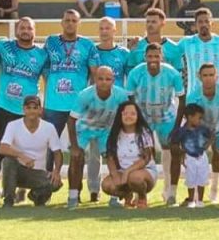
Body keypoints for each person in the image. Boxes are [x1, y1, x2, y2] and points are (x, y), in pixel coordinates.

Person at [0, 17, 49, 203]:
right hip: (4, 107)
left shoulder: (42, 54)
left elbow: (47, 80)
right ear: (16, 30)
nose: (25, 31)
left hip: (28, 111)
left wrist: (43, 106)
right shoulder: (3, 47)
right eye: (22, 27)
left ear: (34, 31)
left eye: (29, 28)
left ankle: (22, 191)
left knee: (27, 149)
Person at [125, 42, 185, 205]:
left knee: (173, 149)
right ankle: (140, 193)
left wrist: (177, 125)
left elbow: (182, 98)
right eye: (150, 56)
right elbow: (130, 97)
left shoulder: (172, 73)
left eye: (156, 56)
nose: (153, 59)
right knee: (143, 153)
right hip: (145, 117)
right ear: (145, 57)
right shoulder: (136, 73)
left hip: (167, 116)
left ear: (162, 57)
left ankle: (170, 192)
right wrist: (137, 121)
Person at [66, 66, 132, 209]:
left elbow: (127, 115)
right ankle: (72, 197)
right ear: (95, 79)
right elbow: (71, 120)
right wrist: (75, 147)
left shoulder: (121, 95)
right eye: (100, 79)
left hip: (105, 130)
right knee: (76, 157)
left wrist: (121, 137)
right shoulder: (85, 95)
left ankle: (115, 197)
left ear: (113, 81)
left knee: (113, 157)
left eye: (108, 79)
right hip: (84, 129)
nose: (104, 82)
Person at [43, 10, 97, 147]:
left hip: (78, 105)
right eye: (67, 20)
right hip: (53, 105)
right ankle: (48, 170)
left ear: (79, 23)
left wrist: (90, 100)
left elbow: (95, 75)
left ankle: (75, 170)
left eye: (74, 20)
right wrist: (49, 85)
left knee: (77, 148)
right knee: (48, 146)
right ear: (62, 22)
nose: (70, 23)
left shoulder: (88, 45)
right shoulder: (51, 42)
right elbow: (43, 67)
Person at [185, 62, 219, 204]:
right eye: (205, 75)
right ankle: (195, 195)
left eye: (211, 75)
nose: (208, 78)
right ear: (199, 77)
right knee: (197, 161)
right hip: (202, 130)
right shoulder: (193, 96)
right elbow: (190, 118)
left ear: (217, 76)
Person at [0, 95, 63, 207]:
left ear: (40, 110)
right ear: (23, 109)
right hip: (17, 170)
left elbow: (57, 152)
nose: (32, 111)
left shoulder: (49, 127)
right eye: (28, 108)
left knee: (56, 183)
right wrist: (21, 156)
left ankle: (36, 196)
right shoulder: (13, 125)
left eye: (35, 107)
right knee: (7, 161)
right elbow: (2, 148)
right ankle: (8, 200)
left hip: (37, 173)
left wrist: (56, 171)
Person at [102, 100, 157, 208]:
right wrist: (115, 175)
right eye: (125, 113)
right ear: (120, 115)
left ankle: (142, 197)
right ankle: (127, 195)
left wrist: (128, 171)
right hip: (122, 172)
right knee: (107, 185)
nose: (129, 116)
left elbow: (146, 158)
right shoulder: (114, 133)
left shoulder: (144, 132)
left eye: (132, 113)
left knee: (135, 178)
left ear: (138, 116)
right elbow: (110, 158)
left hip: (143, 172)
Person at [172, 103, 213, 208]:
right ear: (190, 117)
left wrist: (206, 146)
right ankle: (191, 200)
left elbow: (212, 136)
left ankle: (200, 200)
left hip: (201, 155)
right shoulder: (182, 131)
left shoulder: (203, 129)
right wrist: (181, 152)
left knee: (202, 178)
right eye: (199, 118)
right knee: (190, 178)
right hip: (189, 156)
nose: (200, 121)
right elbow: (174, 143)